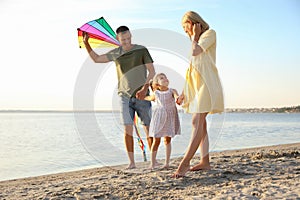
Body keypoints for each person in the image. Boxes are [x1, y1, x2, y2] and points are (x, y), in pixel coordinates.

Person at [82, 26, 156, 169]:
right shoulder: (116, 53)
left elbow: (152, 71)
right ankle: (132, 162)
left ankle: (153, 161)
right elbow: (97, 59)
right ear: (118, 39)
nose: (127, 42)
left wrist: (145, 88)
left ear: (131, 35)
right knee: (127, 129)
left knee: (148, 129)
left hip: (142, 96)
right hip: (124, 97)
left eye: (128, 38)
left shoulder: (141, 50)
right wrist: (87, 44)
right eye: (123, 40)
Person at [172, 11, 224, 178]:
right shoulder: (195, 42)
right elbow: (191, 72)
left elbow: (197, 51)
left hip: (208, 86)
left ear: (195, 23)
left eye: (185, 26)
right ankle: (205, 161)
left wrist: (194, 36)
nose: (185, 30)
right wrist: (183, 94)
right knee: (200, 124)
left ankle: (185, 162)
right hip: (198, 87)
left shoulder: (209, 34)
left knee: (197, 120)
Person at [143, 73, 181, 169]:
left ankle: (167, 163)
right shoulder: (156, 93)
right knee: (156, 140)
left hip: (170, 118)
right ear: (157, 84)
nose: (165, 79)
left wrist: (178, 99)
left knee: (167, 140)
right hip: (159, 118)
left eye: (166, 77)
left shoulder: (172, 91)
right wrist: (142, 97)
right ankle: (152, 163)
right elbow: (149, 98)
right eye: (162, 78)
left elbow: (177, 96)